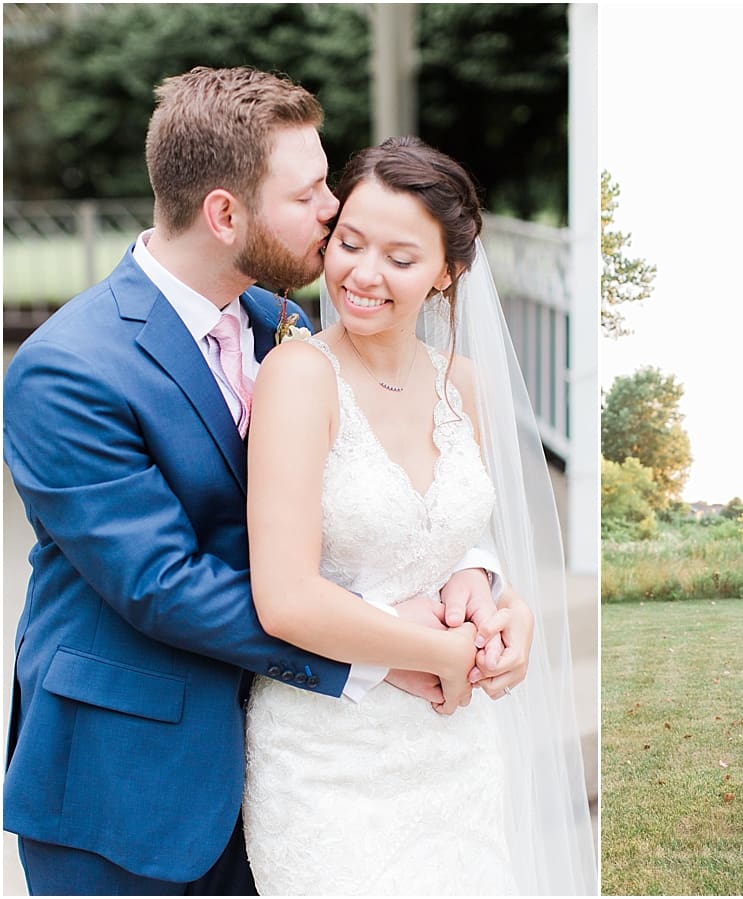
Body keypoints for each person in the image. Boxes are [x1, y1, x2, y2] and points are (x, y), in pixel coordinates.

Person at [2, 67, 510, 895]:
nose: (333, 212)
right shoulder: (67, 370)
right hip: (129, 777)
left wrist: (475, 578)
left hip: (290, 767)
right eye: (310, 194)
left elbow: (366, 500)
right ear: (226, 214)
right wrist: (380, 653)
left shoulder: (288, 327)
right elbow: (162, 583)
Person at [239, 135, 596, 895]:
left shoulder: (460, 382)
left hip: (455, 746)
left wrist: (506, 604)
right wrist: (437, 652)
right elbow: (284, 596)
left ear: (448, 272)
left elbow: (461, 533)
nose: (362, 275)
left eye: (399, 258)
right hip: (330, 759)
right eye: (349, 243)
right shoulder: (299, 374)